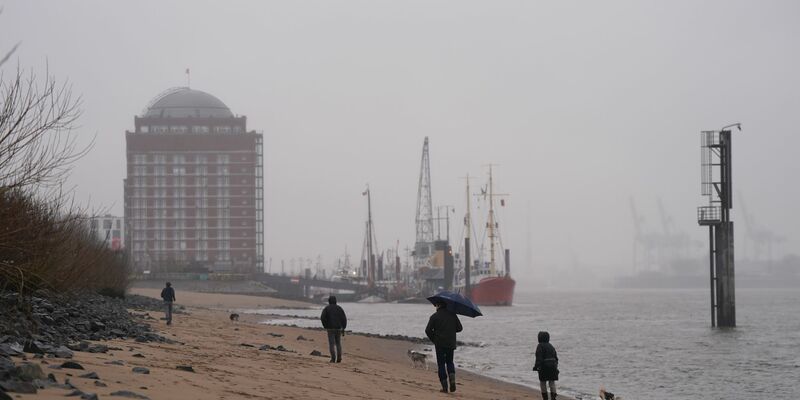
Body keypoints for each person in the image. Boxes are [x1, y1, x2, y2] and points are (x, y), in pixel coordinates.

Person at [425, 300, 462, 393]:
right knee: (450, 362)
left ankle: (445, 387)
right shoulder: (453, 315)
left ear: (438, 305)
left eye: (436, 305)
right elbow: (460, 328)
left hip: (439, 344)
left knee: (441, 364)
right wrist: (450, 330)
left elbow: (428, 330)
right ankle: (452, 379)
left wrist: (434, 339)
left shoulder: (434, 317)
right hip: (450, 343)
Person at [533, 331, 559, 400]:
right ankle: (553, 396)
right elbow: (556, 358)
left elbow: (539, 358)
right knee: (552, 382)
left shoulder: (540, 346)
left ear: (539, 338)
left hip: (544, 367)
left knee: (543, 382)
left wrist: (536, 366)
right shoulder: (551, 346)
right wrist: (556, 367)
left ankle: (545, 398)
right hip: (553, 367)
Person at [320, 295, 347, 363]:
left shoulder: (327, 308)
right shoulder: (339, 308)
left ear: (329, 301)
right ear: (335, 301)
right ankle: (339, 358)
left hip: (330, 328)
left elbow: (322, 318)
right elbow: (344, 319)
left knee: (331, 344)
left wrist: (325, 325)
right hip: (338, 328)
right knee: (338, 343)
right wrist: (343, 327)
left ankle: (333, 358)